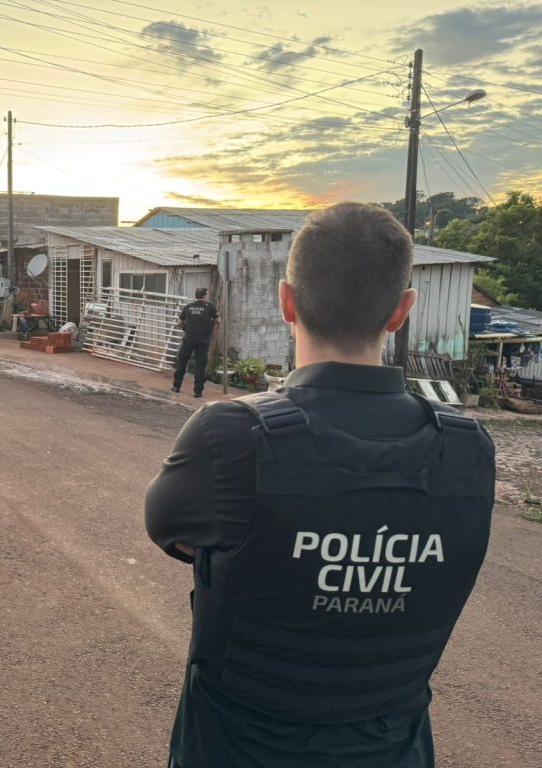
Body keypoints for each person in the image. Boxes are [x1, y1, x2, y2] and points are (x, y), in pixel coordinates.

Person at [145, 202, 495, 768]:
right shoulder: (467, 451)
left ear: (287, 302)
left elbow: (179, 536)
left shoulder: (231, 437)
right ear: (401, 311)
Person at [172, 287, 219, 398]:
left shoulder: (188, 307)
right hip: (203, 340)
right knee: (200, 366)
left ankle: (176, 387)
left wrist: (187, 328)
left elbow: (179, 324)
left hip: (189, 340)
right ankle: (198, 392)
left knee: (182, 363)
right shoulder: (210, 307)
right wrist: (209, 324)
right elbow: (218, 320)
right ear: (204, 296)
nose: (208, 296)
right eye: (207, 294)